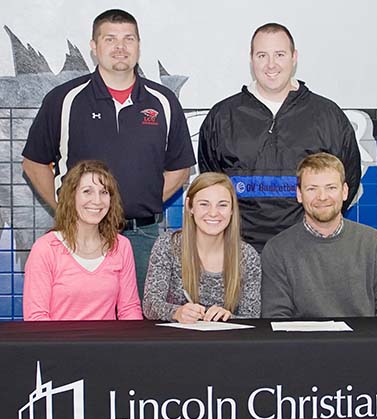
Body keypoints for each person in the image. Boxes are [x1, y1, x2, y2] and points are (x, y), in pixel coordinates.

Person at [22, 9, 195, 298]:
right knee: (81, 327)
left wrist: (148, 198)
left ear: (139, 45)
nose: (120, 47)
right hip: (79, 236)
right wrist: (65, 209)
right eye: (110, 39)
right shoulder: (64, 100)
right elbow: (33, 163)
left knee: (140, 326)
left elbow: (180, 169)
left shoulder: (163, 101)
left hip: (143, 236)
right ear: (94, 46)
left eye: (129, 39)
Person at [198, 22, 361, 252]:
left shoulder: (327, 115)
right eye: (262, 55)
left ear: (294, 57)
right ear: (251, 59)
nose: (271, 64)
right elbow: (210, 184)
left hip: (309, 251)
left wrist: (320, 229)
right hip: (240, 252)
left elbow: (348, 179)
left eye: (280, 54)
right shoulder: (222, 117)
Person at [261, 153, 377, 318]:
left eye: (331, 187)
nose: (322, 197)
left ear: (344, 192)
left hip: (362, 343)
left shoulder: (374, 243)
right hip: (304, 344)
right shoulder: (277, 250)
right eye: (312, 189)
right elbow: (275, 317)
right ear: (299, 194)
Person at [23, 160, 143, 321]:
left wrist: (131, 345)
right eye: (87, 191)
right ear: (71, 197)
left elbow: (129, 309)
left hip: (110, 345)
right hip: (57, 344)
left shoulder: (121, 246)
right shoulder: (45, 249)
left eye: (104, 192)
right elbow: (36, 317)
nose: (97, 200)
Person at [143, 172, 261, 322]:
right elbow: (150, 305)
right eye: (204, 204)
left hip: (227, 342)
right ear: (189, 206)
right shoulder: (168, 246)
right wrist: (177, 312)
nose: (213, 213)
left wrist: (229, 317)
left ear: (232, 210)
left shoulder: (247, 256)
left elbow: (252, 317)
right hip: (177, 341)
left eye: (222, 205)